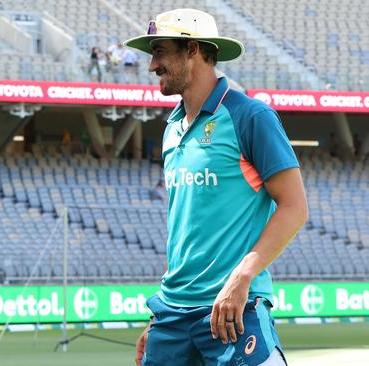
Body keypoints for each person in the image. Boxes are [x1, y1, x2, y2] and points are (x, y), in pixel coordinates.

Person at [124, 9, 308, 366]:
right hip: (171, 316)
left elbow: (294, 207)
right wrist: (157, 318)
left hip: (232, 311)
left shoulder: (250, 116)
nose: (152, 65)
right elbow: (186, 230)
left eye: (160, 51)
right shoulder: (171, 129)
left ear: (193, 49)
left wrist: (242, 278)